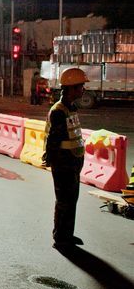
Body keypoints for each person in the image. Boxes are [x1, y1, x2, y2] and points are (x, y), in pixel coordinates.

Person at [42, 67, 88, 251]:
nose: (83, 90)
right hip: (63, 163)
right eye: (80, 87)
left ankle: (67, 234)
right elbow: (53, 140)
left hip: (73, 161)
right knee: (64, 200)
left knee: (72, 199)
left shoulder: (71, 107)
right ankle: (60, 237)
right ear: (71, 88)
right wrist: (51, 159)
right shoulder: (58, 111)